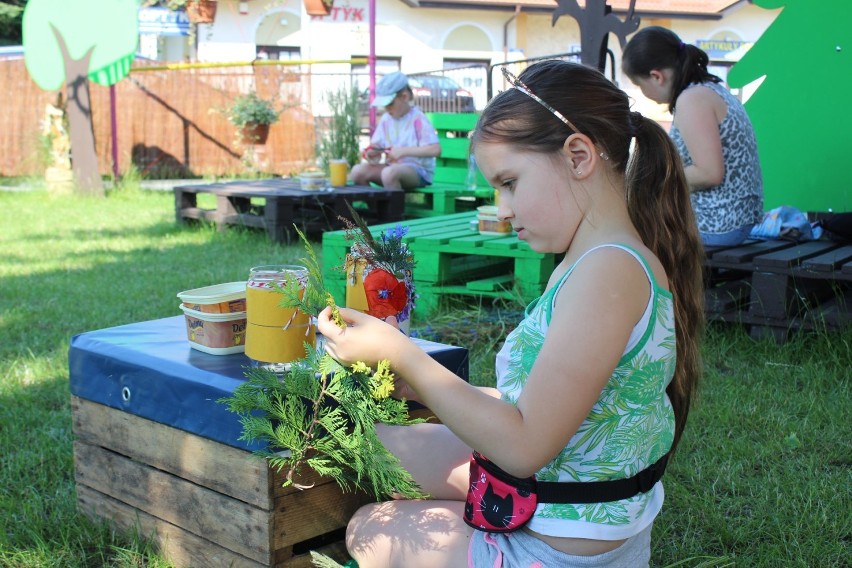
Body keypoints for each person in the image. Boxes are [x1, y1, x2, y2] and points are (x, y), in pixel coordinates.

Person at [317, 60, 704, 567]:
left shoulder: (606, 273)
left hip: (560, 548)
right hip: (562, 499)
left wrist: (404, 356)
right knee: (381, 446)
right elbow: (552, 401)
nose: (501, 209)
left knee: (369, 527)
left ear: (579, 155)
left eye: (510, 182)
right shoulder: (595, 258)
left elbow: (523, 448)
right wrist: (420, 384)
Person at [622, 26, 764, 247]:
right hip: (732, 221)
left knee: (621, 232)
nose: (643, 92)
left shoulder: (692, 100)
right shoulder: (709, 89)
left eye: (639, 85)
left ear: (656, 76)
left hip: (718, 225)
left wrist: (653, 181)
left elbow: (708, 173)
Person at [350, 71, 441, 190]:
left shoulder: (418, 119)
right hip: (391, 167)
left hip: (418, 172)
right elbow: (377, 144)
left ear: (404, 97)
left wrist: (403, 151)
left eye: (390, 104)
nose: (387, 108)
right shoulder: (386, 119)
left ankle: (395, 208)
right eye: (384, 105)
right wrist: (373, 152)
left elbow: (435, 150)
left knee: (389, 174)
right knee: (357, 171)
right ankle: (375, 208)